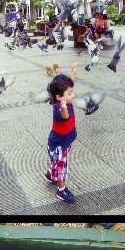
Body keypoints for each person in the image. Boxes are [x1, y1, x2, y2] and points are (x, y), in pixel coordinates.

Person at [45, 64, 80, 204]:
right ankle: (61, 190)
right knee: (62, 169)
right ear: (60, 98)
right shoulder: (60, 108)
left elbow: (67, 88)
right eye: (70, 93)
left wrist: (72, 74)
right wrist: (64, 108)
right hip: (59, 145)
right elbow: (64, 116)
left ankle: (50, 175)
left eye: (71, 92)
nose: (73, 95)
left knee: (58, 163)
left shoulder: (61, 98)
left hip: (61, 142)